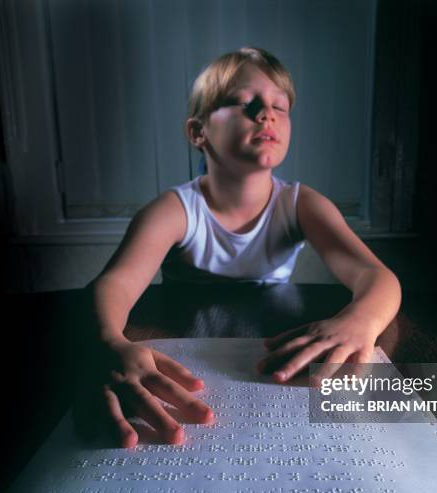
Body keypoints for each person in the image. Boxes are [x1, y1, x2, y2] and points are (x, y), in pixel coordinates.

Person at [80, 47, 401, 448]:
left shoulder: (301, 203)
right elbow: (116, 285)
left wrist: (361, 320)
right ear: (198, 132)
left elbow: (375, 275)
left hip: (266, 352)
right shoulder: (175, 210)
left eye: (279, 106)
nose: (266, 113)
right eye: (243, 102)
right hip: (189, 352)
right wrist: (110, 341)